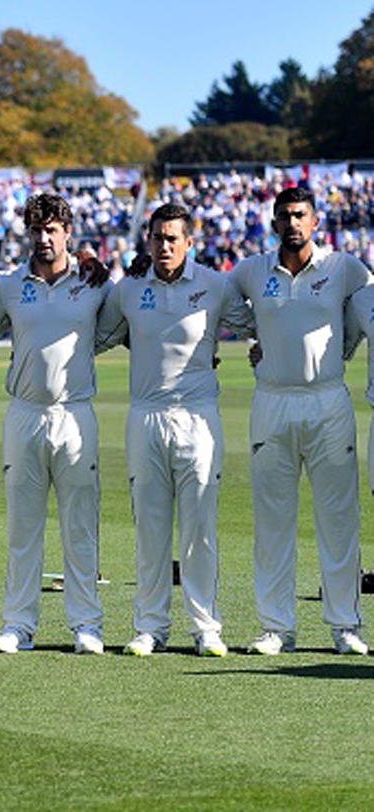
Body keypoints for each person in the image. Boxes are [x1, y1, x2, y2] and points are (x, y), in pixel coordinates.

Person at [96, 203, 253, 657]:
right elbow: (101, 334)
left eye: (173, 238)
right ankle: (150, 626)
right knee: (150, 526)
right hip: (145, 414)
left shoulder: (214, 285)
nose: (164, 246)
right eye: (157, 238)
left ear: (189, 242)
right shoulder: (129, 289)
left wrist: (265, 351)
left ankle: (206, 627)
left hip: (199, 416)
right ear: (147, 241)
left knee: (199, 527)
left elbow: (257, 323)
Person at [230, 187, 370, 656]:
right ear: (273, 224)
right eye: (284, 216)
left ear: (316, 222)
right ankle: (276, 628)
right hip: (272, 401)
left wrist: (343, 351)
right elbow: (216, 304)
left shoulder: (342, 267)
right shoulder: (251, 271)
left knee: (338, 519)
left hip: (327, 400)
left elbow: (364, 311)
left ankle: (346, 625)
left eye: (300, 215)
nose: (292, 223)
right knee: (273, 521)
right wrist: (256, 337)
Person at [0, 192, 108, 655]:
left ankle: (87, 626)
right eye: (37, 230)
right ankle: (18, 626)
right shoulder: (10, 285)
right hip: (25, 414)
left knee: (80, 527)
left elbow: (121, 327)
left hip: (75, 413)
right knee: (23, 528)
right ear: (27, 233)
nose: (44, 238)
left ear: (68, 233)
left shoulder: (94, 282)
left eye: (53, 229)